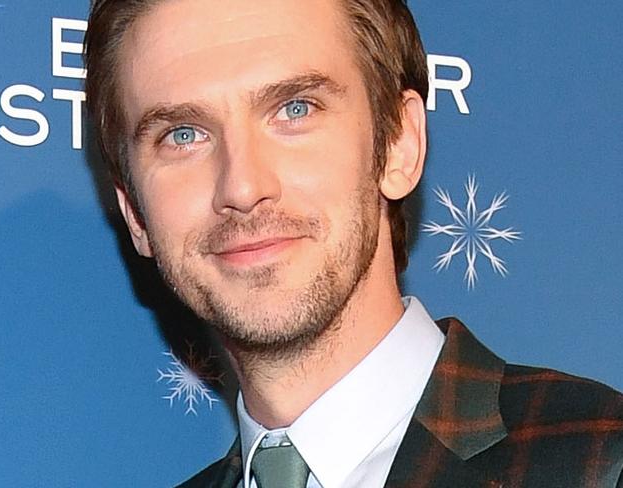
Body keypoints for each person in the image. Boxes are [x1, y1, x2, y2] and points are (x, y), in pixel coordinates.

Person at [83, 0, 623, 486]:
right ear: (133, 210)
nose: (243, 188)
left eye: (295, 109)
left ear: (398, 144)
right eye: (183, 135)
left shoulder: (599, 459)